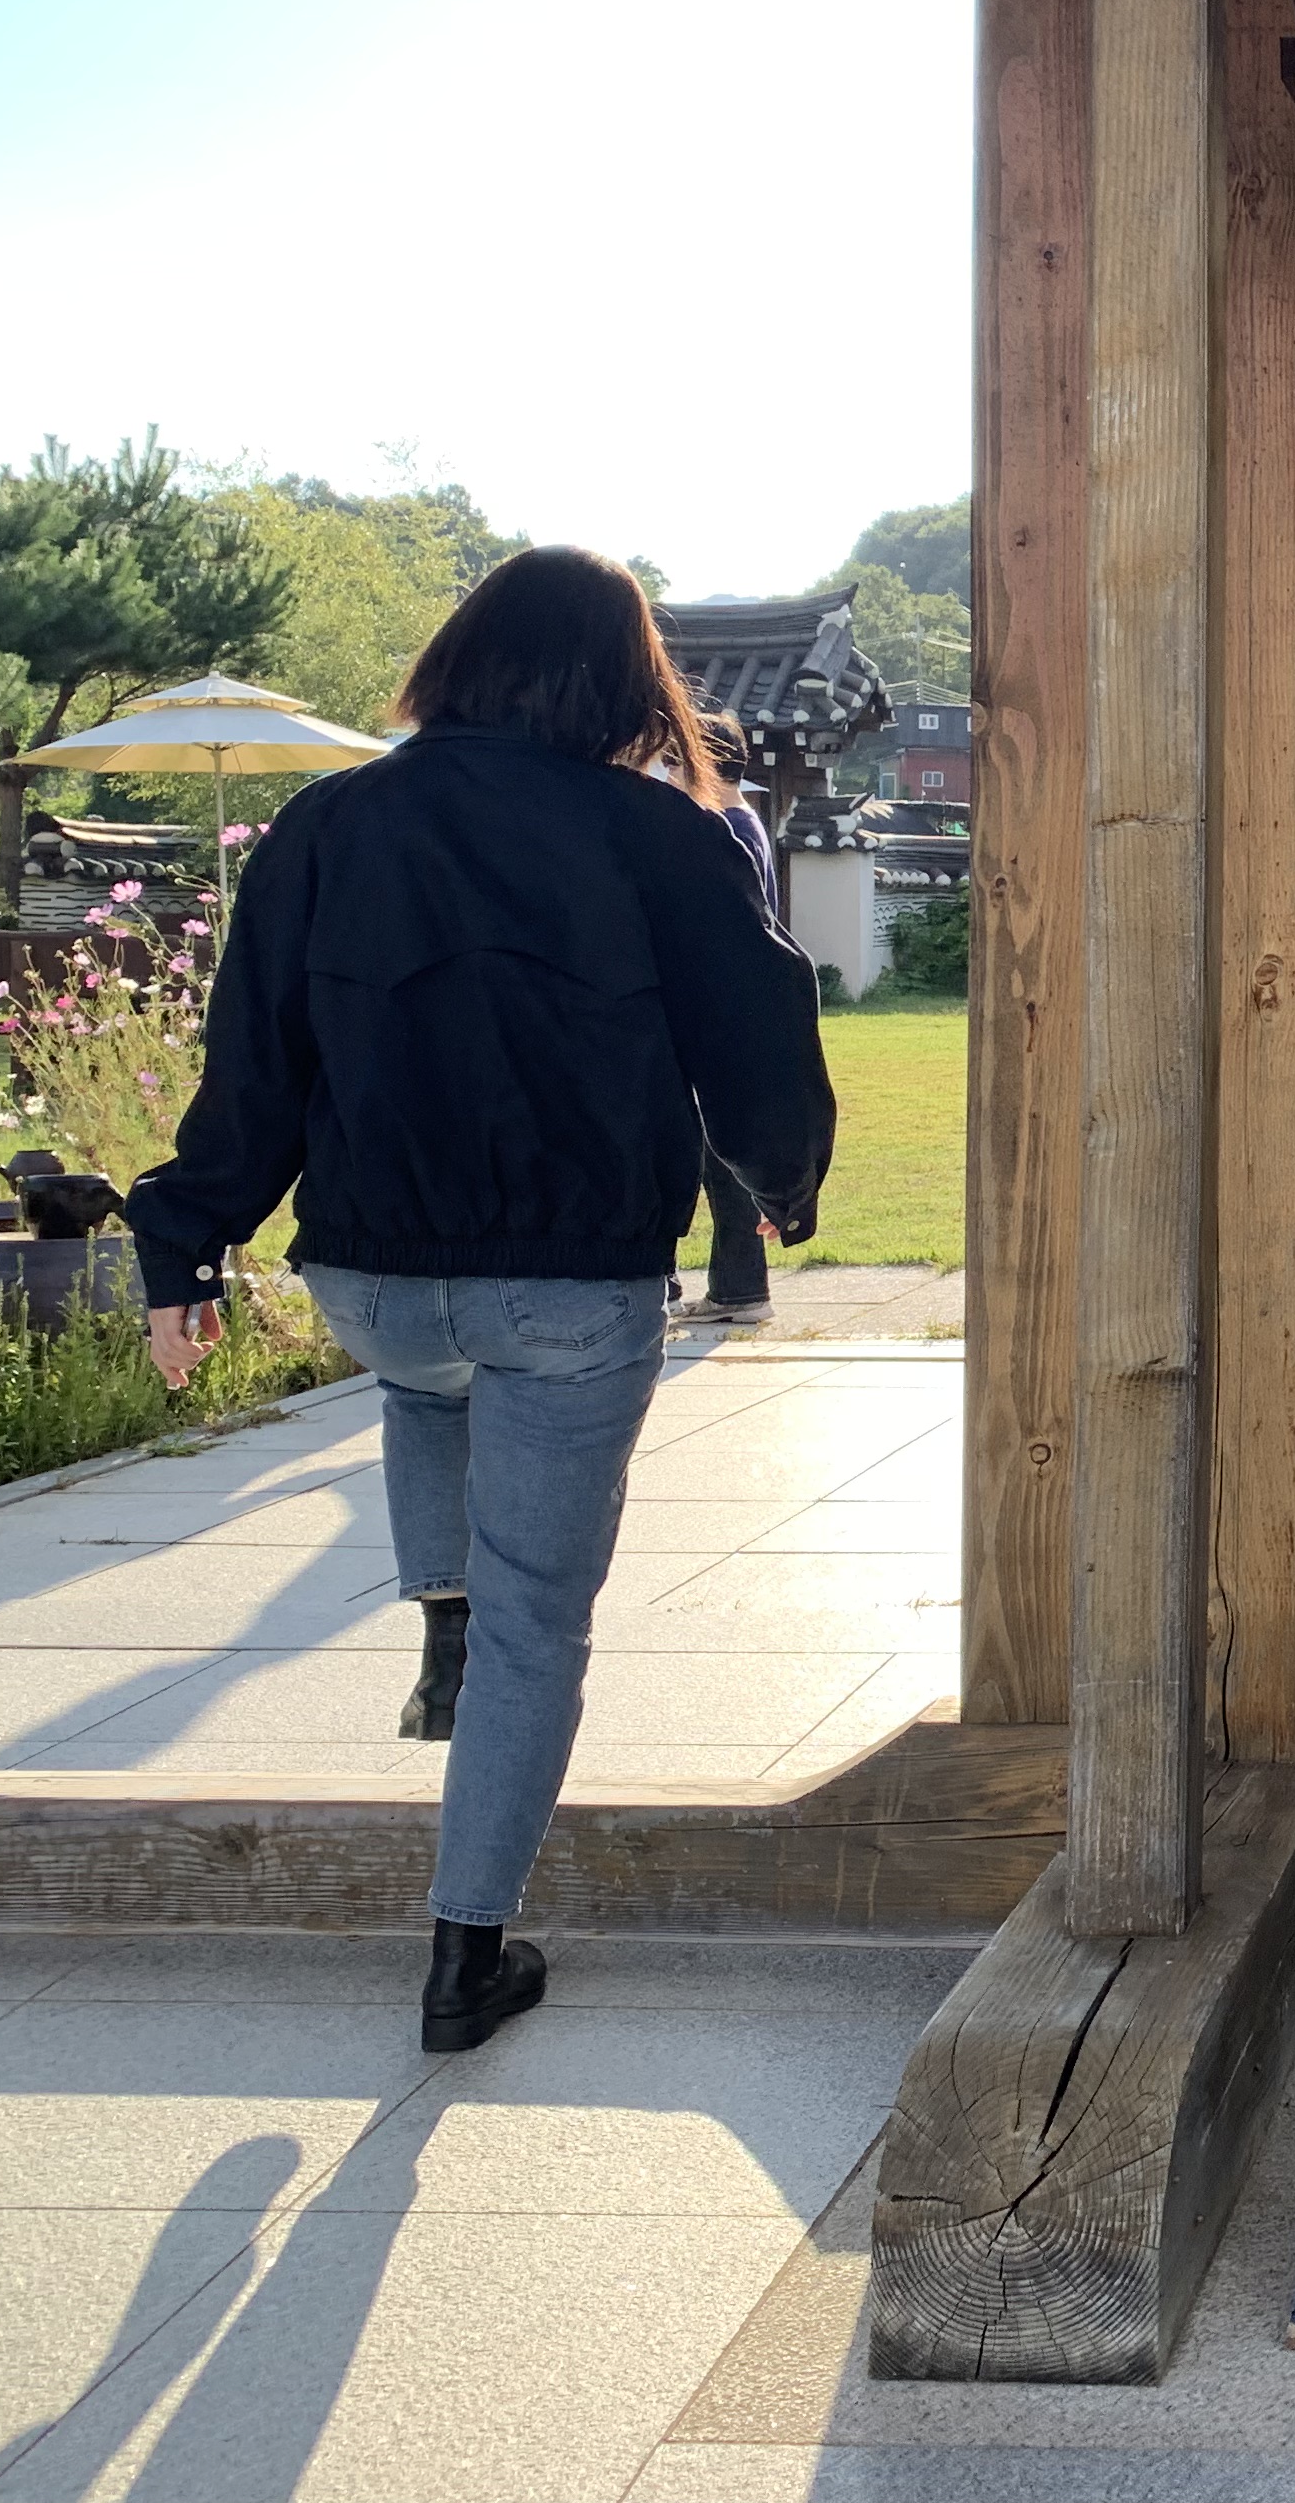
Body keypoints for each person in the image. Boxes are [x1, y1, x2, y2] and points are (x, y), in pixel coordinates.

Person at [126, 548, 833, 2056]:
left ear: (455, 661)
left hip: (370, 1279)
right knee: (540, 1629)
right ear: (623, 680)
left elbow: (253, 1062)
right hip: (569, 1288)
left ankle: (441, 1606)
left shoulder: (327, 824)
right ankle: (467, 1957)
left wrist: (182, 1253)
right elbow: (760, 1020)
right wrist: (781, 1177)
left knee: (425, 1372)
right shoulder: (657, 834)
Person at [676, 716, 782, 1330]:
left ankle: (738, 1288)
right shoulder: (746, 823)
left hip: (719, 1008)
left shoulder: (721, 829)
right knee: (721, 1152)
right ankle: (738, 1287)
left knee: (714, 1154)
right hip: (737, 1007)